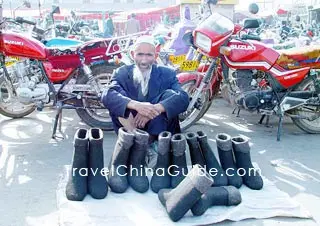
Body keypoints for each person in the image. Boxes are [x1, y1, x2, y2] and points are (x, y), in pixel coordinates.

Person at [101, 35, 189, 138]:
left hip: (160, 131)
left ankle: (154, 146)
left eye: (149, 55)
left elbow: (183, 98)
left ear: (155, 56)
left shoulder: (167, 73)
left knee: (170, 95)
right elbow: (107, 94)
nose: (144, 60)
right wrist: (136, 105)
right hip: (131, 126)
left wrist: (153, 110)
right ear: (133, 54)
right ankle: (135, 140)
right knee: (117, 98)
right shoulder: (122, 72)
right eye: (140, 54)